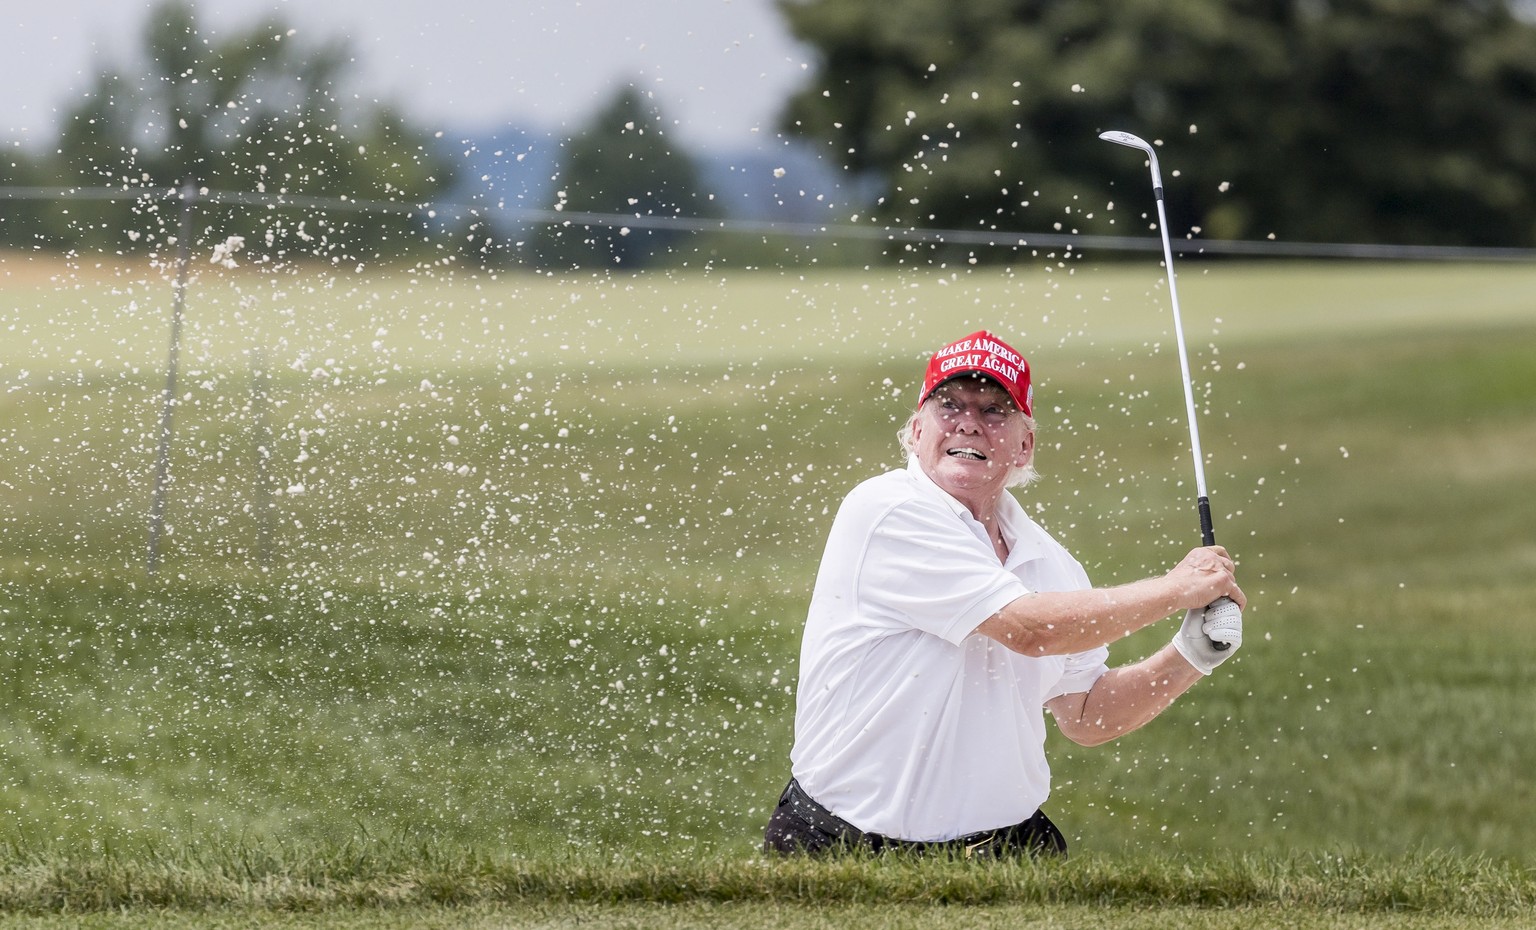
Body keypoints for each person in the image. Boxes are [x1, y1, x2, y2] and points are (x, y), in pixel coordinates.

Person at [763, 330, 1246, 858]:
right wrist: (1176, 590)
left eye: (994, 410)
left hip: (1007, 853)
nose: (968, 420)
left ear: (1024, 445)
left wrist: (1191, 655)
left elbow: (1086, 715)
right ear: (915, 431)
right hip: (847, 847)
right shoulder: (886, 510)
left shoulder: (1052, 563)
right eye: (948, 404)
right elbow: (1030, 629)